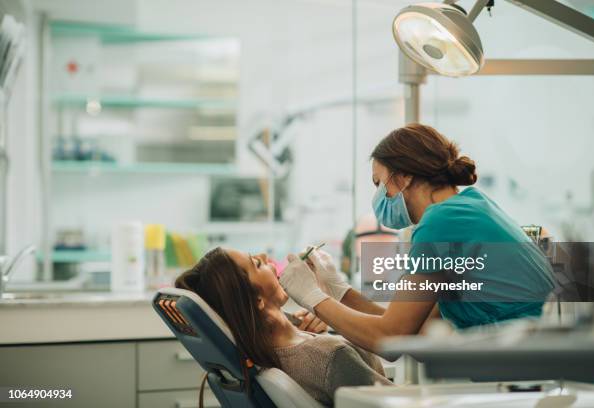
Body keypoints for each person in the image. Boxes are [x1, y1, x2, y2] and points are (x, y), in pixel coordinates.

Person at [279, 123, 555, 353]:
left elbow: (390, 337)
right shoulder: (470, 206)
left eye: (379, 183)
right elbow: (416, 332)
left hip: (532, 371)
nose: (378, 197)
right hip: (540, 365)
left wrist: (312, 296)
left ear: (404, 177)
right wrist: (339, 291)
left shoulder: (441, 222)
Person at [175, 247, 392, 407]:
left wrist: (322, 318)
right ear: (257, 300)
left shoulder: (263, 353)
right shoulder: (331, 356)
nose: (264, 256)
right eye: (256, 264)